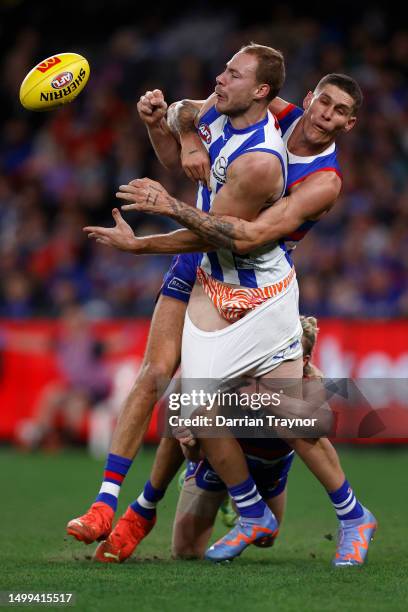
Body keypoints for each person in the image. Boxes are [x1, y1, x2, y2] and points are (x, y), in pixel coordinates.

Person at [72, 63, 376, 566]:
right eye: (324, 101)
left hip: (254, 277)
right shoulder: (276, 112)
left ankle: (333, 511)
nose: (326, 115)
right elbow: (194, 109)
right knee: (168, 382)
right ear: (309, 98)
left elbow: (247, 235)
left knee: (280, 409)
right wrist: (177, 132)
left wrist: (152, 229)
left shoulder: (323, 180)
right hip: (202, 263)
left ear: (349, 125)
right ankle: (117, 505)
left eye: (340, 111)